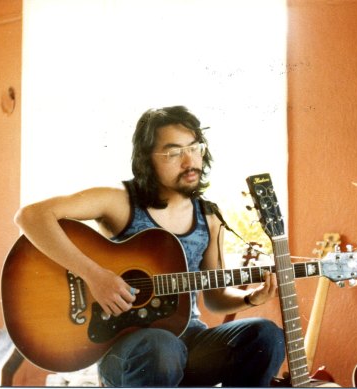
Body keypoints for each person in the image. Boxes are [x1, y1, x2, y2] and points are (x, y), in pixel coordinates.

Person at [14, 105, 285, 386]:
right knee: (160, 346)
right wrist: (93, 275)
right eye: (174, 152)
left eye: (195, 148)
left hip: (189, 343)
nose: (189, 161)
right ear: (147, 159)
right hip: (126, 351)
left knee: (266, 335)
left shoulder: (209, 216)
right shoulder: (118, 201)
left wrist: (250, 298)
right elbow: (30, 216)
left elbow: (215, 298)